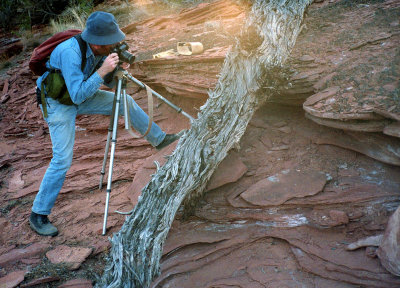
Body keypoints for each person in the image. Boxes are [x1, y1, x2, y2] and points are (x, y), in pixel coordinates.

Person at [29, 11, 179, 236]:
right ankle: (38, 214)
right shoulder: (70, 52)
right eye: (108, 43)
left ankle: (159, 139)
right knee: (62, 158)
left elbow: (102, 82)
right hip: (58, 102)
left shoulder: (101, 47)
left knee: (125, 102)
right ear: (95, 41)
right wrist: (103, 70)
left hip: (76, 93)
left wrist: (116, 70)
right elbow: (79, 95)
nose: (112, 45)